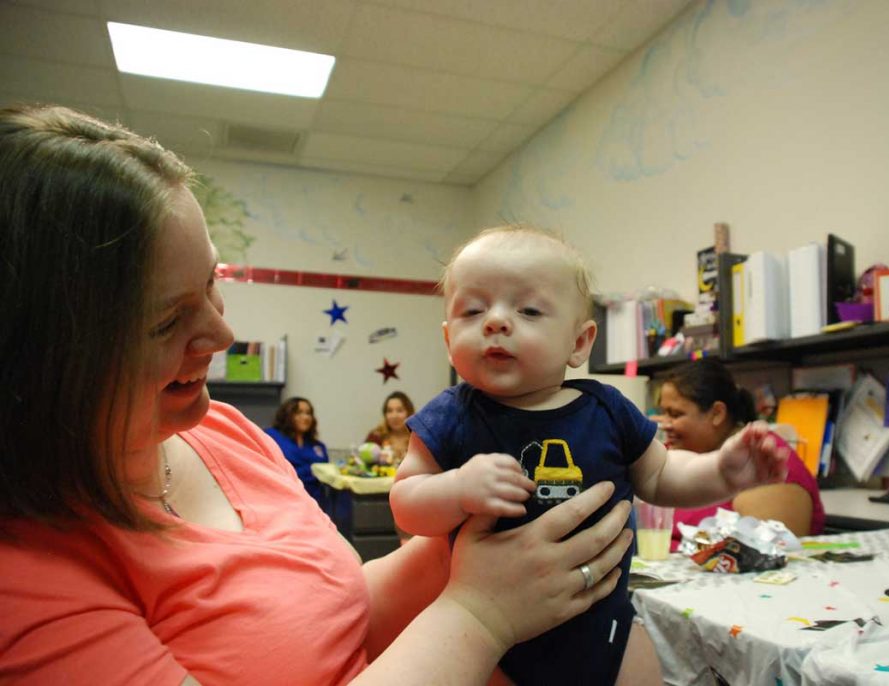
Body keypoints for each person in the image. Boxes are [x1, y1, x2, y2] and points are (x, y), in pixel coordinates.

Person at [0, 105, 637, 685]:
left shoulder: (224, 432)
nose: (223, 333)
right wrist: (481, 612)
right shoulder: (25, 579)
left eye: (213, 283)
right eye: (167, 320)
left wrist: (476, 538)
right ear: (39, 359)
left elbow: (327, 619)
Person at [390, 225, 790, 686]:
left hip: (606, 625)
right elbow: (407, 503)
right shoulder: (450, 416)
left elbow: (660, 476)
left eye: (529, 309)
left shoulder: (607, 408)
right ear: (447, 339)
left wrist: (720, 470)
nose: (495, 321)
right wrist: (456, 489)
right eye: (473, 309)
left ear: (579, 343)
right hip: (493, 643)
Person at [655, 359, 826, 546]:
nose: (664, 424)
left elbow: (769, 556)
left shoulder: (758, 459)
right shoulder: (685, 458)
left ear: (717, 413)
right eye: (663, 413)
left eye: (675, 414)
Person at [265, 396, 329, 505]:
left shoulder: (318, 446)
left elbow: (325, 473)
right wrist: (312, 470)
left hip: (314, 502)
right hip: (283, 499)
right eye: (299, 413)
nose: (305, 417)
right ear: (287, 415)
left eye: (309, 413)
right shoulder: (271, 436)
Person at [364, 391, 415, 464]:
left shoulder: (418, 437)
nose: (394, 416)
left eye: (400, 410)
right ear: (385, 415)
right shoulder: (375, 437)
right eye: (389, 411)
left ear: (409, 413)